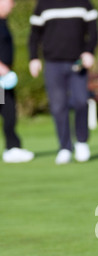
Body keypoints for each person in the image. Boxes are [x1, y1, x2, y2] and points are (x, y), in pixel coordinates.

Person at [28, 0, 98, 165]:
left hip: (77, 61)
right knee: (58, 106)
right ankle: (65, 148)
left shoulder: (84, 3)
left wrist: (89, 52)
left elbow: (94, 31)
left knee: (81, 101)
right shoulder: (43, 4)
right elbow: (34, 35)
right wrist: (33, 58)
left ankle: (82, 142)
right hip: (53, 63)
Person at [0, 0, 34, 163]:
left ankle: (12, 147)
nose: (12, 5)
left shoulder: (3, 22)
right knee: (7, 111)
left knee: (8, 112)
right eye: (10, 1)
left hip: (3, 82)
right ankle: (12, 148)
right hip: (0, 78)